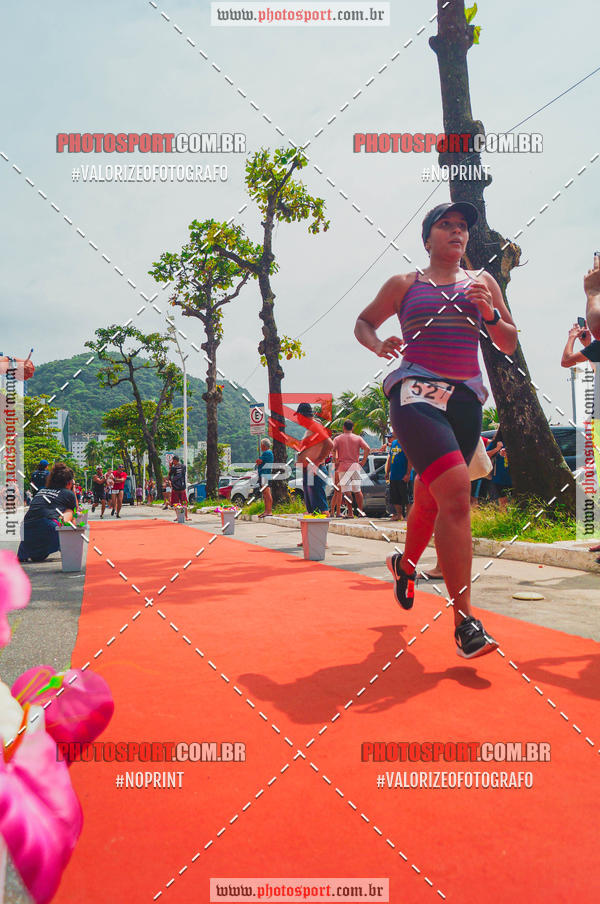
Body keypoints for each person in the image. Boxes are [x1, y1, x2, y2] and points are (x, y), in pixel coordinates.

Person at [354, 201, 518, 659]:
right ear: (427, 238)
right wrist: (377, 343)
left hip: (466, 402)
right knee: (455, 494)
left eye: (462, 226)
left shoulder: (482, 282)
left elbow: (508, 341)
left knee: (431, 499)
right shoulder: (404, 284)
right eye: (446, 225)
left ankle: (404, 566)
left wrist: (489, 316)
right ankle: (466, 622)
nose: (456, 232)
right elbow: (364, 322)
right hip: (415, 394)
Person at [17, 463, 76, 563]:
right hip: (48, 527)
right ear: (69, 482)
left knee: (37, 558)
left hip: (25, 528)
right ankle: (67, 546)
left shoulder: (41, 491)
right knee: (70, 511)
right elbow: (75, 512)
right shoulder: (68, 493)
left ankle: (27, 553)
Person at [294, 403, 333, 516]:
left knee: (321, 509)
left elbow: (330, 444)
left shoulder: (315, 426)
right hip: (310, 471)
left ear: (302, 415)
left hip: (316, 471)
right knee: (313, 511)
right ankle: (313, 532)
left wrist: (317, 462)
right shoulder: (311, 428)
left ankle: (321, 532)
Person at [332, 420, 371, 518]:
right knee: (357, 490)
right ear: (352, 428)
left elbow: (332, 448)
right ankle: (361, 511)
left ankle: (350, 513)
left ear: (343, 428)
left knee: (347, 491)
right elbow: (367, 448)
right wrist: (364, 461)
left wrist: (335, 460)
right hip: (355, 466)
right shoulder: (357, 438)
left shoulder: (338, 438)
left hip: (343, 466)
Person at [385, 439, 412, 520]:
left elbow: (410, 459)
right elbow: (390, 458)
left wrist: (408, 474)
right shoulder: (394, 443)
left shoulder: (407, 443)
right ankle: (399, 515)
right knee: (395, 497)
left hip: (403, 476)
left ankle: (408, 515)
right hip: (394, 475)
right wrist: (387, 471)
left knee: (407, 497)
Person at [256, 439, 274, 518]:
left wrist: (258, 461)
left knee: (267, 493)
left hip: (265, 474)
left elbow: (259, 461)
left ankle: (269, 511)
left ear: (263, 445)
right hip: (264, 474)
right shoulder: (267, 453)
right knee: (265, 493)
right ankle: (266, 511)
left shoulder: (267, 453)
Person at [168, 455, 190, 521]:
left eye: (173, 460)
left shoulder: (173, 468)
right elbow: (183, 474)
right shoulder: (184, 467)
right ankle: (186, 517)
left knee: (176, 503)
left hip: (175, 487)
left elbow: (169, 475)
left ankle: (178, 516)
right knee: (184, 502)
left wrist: (170, 466)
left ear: (174, 460)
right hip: (182, 487)